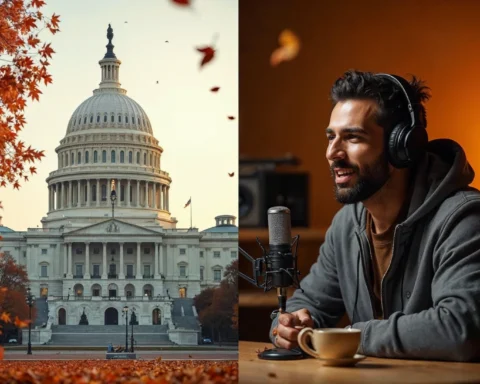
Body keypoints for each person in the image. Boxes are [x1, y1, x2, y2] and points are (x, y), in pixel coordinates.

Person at [270, 70, 480, 362]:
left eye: (353, 138)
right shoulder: (346, 224)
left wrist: (352, 337)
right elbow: (306, 304)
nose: (333, 153)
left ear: (402, 147)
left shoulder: (464, 219)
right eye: (331, 137)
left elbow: (461, 330)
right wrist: (288, 327)